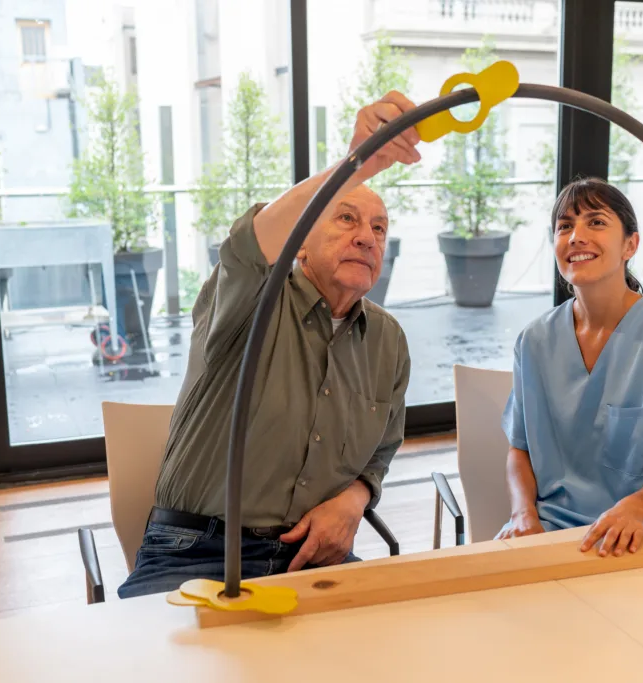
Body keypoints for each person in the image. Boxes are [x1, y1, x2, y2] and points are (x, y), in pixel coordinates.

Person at [118, 92, 422, 599]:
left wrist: (353, 500)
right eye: (346, 219)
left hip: (314, 557)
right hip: (197, 552)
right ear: (299, 243)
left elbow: (381, 449)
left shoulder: (388, 340)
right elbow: (247, 244)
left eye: (379, 228)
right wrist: (355, 167)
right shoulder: (251, 299)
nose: (368, 237)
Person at [496, 177, 643, 558]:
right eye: (565, 226)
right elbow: (519, 451)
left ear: (630, 245)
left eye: (596, 222)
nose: (576, 236)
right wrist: (523, 513)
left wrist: (635, 508)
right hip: (554, 527)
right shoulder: (534, 341)